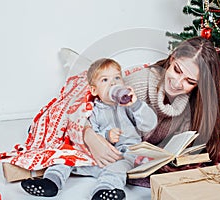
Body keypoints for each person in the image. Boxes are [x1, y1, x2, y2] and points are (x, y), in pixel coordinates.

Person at [83, 37, 220, 183]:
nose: (177, 83)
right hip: (116, 153)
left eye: (190, 81)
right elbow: (90, 110)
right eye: (177, 70)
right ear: (172, 58)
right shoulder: (137, 85)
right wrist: (90, 136)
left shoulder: (193, 104)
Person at [20, 58, 158, 199]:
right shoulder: (93, 110)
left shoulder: (128, 106)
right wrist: (106, 135)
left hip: (124, 155)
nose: (113, 83)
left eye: (117, 77)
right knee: (65, 157)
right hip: (97, 158)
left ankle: (104, 191)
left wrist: (136, 105)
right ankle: (51, 182)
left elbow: (149, 124)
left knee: (117, 170)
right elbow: (90, 133)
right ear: (94, 90)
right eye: (105, 80)